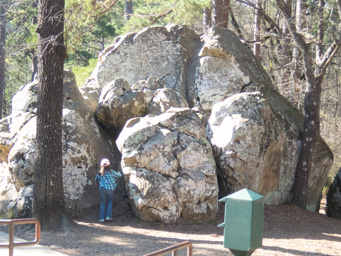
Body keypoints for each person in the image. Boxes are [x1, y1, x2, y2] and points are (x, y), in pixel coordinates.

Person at [95, 158, 122, 223]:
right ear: (109, 165)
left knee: (103, 203)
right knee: (110, 202)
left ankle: (101, 218)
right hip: (110, 190)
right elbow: (119, 175)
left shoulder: (100, 173)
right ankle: (108, 216)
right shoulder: (111, 172)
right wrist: (119, 172)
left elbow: (96, 180)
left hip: (102, 189)